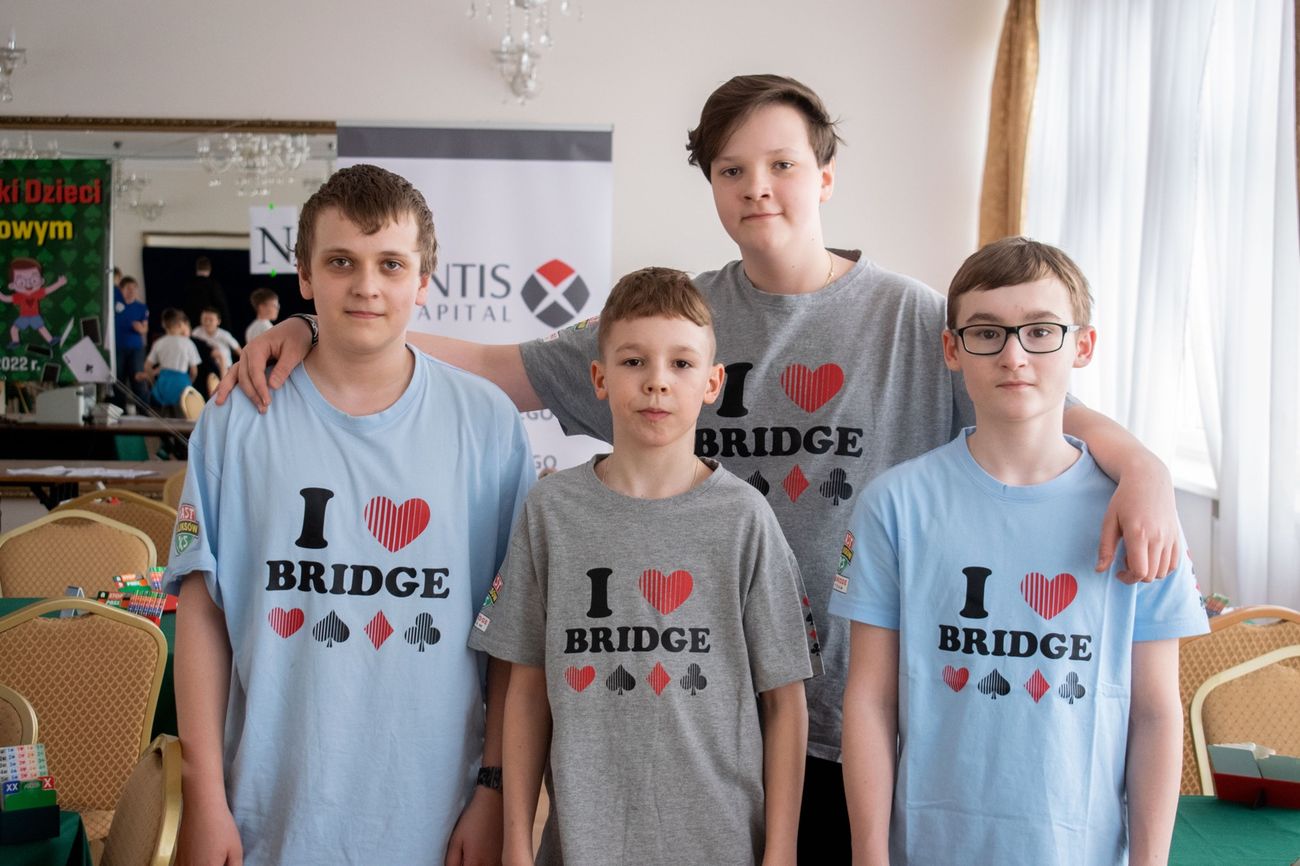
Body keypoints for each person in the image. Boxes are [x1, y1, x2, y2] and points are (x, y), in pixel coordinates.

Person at [223, 74, 1184, 862]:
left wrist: (1140, 464)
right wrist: (323, 329)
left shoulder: (910, 318)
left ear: (825, 177)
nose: (759, 187)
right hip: (700, 723)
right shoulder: (675, 321)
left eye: (782, 165)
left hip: (859, 726)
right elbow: (498, 366)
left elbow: (1027, 391)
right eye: (733, 170)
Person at [165, 164, 534, 866]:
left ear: (423, 281)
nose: (366, 285)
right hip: (268, 809)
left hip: (435, 811)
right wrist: (203, 792)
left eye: (391, 264)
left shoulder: (487, 423)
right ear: (304, 276)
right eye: (341, 262)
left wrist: (494, 789)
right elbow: (203, 609)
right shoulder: (237, 418)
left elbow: (509, 627)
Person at [835, 237, 1208, 866]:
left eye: (1040, 332)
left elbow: (1154, 713)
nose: (1014, 355)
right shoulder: (892, 505)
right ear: (952, 349)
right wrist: (869, 856)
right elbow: (870, 701)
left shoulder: (1140, 516)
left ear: (1082, 346)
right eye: (987, 333)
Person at [470, 267, 816, 866]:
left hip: (722, 847)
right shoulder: (551, 511)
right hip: (581, 848)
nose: (657, 381)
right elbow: (526, 691)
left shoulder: (744, 519)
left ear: (712, 383)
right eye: (634, 362)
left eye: (681, 364)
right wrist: (516, 844)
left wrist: (781, 851)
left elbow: (785, 702)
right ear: (599, 378)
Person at [137, 308, 199, 409]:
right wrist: (189, 384)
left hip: (163, 384)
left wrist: (153, 383)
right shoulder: (188, 343)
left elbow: (147, 366)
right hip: (182, 384)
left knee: (160, 416)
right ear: (180, 325)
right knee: (181, 416)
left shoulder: (159, 343)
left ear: (164, 325)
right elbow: (194, 371)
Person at [2, 257, 67, 349]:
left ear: (42, 281)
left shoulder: (37, 293)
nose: (28, 284)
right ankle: (15, 342)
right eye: (21, 282)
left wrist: (59, 283)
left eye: (34, 280)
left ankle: (51, 340)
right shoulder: (19, 296)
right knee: (14, 329)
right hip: (23, 317)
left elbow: (48, 290)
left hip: (34, 316)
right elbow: (6, 298)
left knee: (41, 328)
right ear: (12, 286)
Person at [114, 275, 150, 407]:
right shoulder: (113, 305)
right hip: (117, 348)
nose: (131, 291)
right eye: (128, 288)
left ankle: (144, 412)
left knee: (138, 380)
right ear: (121, 290)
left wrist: (141, 329)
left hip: (136, 349)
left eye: (134, 288)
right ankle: (119, 411)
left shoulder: (141, 307)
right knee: (118, 380)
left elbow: (145, 328)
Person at [191, 306, 242, 377]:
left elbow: (239, 351)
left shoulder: (225, 335)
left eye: (211, 320)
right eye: (205, 319)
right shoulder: (196, 333)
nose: (207, 322)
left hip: (226, 368)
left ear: (218, 321)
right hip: (206, 370)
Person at [183, 255, 231, 327]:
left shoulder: (188, 286)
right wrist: (227, 327)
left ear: (197, 268)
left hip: (191, 325)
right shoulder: (214, 285)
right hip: (209, 326)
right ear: (210, 269)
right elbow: (222, 307)